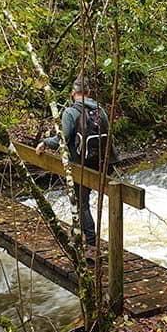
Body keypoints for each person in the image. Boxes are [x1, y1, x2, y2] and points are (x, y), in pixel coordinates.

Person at [35, 75, 114, 245]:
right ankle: (80, 234)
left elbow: (60, 141)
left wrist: (44, 143)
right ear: (89, 92)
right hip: (101, 164)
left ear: (73, 93)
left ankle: (91, 241)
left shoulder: (70, 112)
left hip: (80, 165)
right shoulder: (102, 111)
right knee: (84, 202)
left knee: (80, 203)